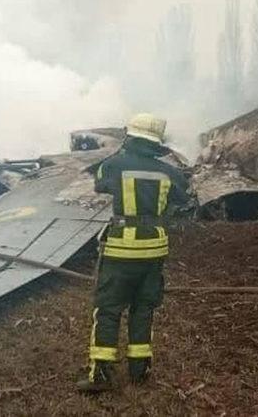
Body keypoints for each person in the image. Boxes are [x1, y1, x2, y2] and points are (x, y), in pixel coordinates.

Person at [77, 113, 191, 393]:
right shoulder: (170, 172)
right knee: (143, 309)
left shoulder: (114, 165)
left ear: (130, 136)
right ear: (157, 143)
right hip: (154, 252)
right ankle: (139, 371)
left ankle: (101, 375)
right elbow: (183, 196)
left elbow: (99, 183)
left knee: (108, 309)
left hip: (121, 251)